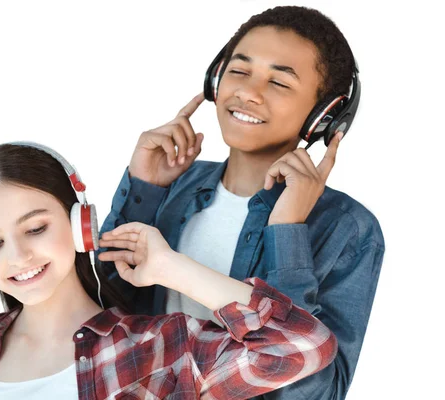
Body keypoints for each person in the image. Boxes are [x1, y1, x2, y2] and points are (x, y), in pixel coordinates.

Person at [0, 142, 337, 400]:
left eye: (36, 228)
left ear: (81, 225)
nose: (18, 256)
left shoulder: (155, 349)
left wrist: (170, 267)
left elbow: (300, 348)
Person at [99, 6, 384, 400]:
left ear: (323, 116)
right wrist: (143, 188)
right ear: (215, 79)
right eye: (239, 70)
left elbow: (315, 393)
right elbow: (94, 316)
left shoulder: (347, 228)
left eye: (279, 83)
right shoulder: (173, 184)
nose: (248, 93)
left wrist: (288, 232)